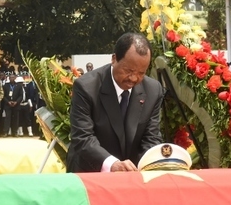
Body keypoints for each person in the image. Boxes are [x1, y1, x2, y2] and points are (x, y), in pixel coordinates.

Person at [66, 32, 164, 173]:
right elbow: (83, 137)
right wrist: (112, 164)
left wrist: (145, 166)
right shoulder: (86, 87)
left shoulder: (153, 90)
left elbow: (152, 137)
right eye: (128, 70)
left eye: (141, 73)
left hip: (132, 176)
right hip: (91, 173)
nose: (134, 78)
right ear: (114, 59)